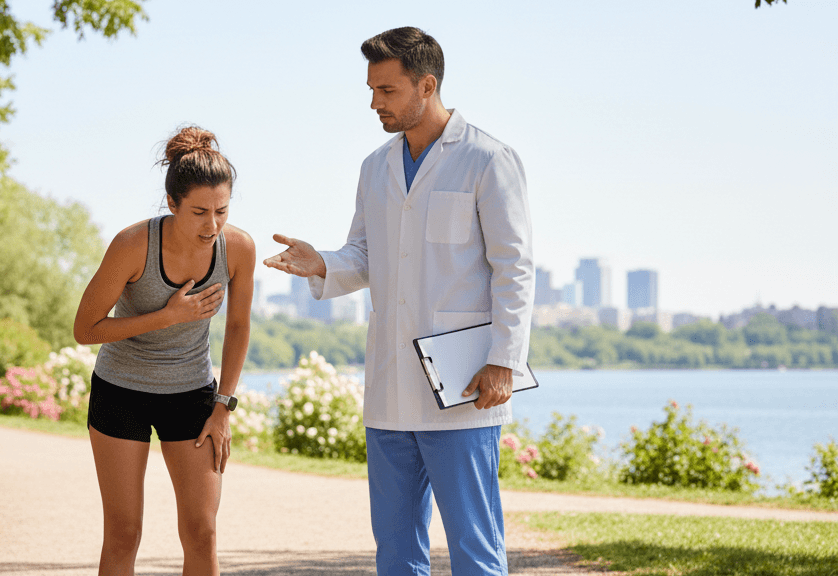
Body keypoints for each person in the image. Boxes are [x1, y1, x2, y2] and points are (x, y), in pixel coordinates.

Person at [264, 27, 534, 576]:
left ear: (426, 85)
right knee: (396, 550)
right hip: (389, 389)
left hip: (461, 389)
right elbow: (365, 255)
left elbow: (515, 268)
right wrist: (322, 263)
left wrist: (504, 359)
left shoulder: (487, 159)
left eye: (386, 90)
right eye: (371, 89)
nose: (373, 102)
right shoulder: (374, 167)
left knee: (475, 548)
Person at [74, 125, 255, 576]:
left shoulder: (238, 249)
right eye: (198, 212)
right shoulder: (133, 245)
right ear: (172, 203)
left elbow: (237, 326)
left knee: (202, 531)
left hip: (192, 395)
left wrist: (223, 407)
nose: (212, 225)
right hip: (121, 392)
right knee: (123, 532)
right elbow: (85, 329)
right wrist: (168, 316)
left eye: (221, 211)